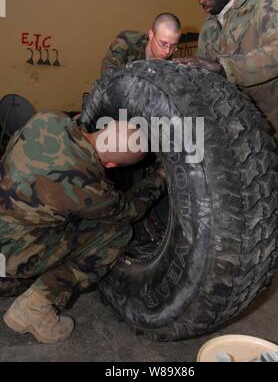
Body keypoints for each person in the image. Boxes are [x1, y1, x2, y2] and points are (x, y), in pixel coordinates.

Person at [0, 111, 165, 344]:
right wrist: (159, 177)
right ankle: (34, 308)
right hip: (10, 255)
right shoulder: (93, 189)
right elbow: (130, 210)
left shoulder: (48, 119)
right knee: (115, 233)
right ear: (111, 164)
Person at [175, 0, 278, 165]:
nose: (201, 0)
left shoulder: (265, 4)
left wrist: (223, 67)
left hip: (269, 123)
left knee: (265, 189)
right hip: (228, 125)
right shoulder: (208, 27)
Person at [101, 13, 182, 73]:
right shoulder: (127, 41)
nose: (167, 51)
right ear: (151, 35)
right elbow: (108, 70)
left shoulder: (172, 62)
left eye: (173, 46)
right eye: (163, 44)